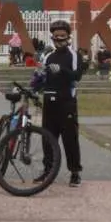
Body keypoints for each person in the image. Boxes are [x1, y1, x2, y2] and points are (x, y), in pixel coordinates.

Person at [39, 19, 85, 187]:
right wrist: (35, 85)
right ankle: (48, 170)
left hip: (66, 103)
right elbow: (41, 77)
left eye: (62, 36)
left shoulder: (74, 55)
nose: (59, 39)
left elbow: (77, 76)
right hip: (49, 102)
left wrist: (62, 70)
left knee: (70, 139)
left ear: (68, 36)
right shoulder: (48, 56)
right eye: (56, 36)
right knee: (47, 139)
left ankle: (75, 172)